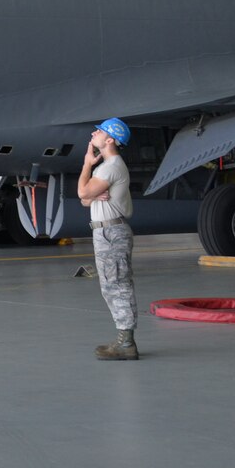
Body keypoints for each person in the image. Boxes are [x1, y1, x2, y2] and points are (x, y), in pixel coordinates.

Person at [78, 117, 139, 361]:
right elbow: (85, 200)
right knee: (110, 285)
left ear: (110, 139)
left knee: (118, 284)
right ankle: (124, 339)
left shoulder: (110, 167)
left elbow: (82, 192)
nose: (94, 133)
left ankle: (127, 343)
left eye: (100, 131)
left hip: (111, 232)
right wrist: (91, 195)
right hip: (105, 231)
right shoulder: (107, 167)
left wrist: (86, 164)